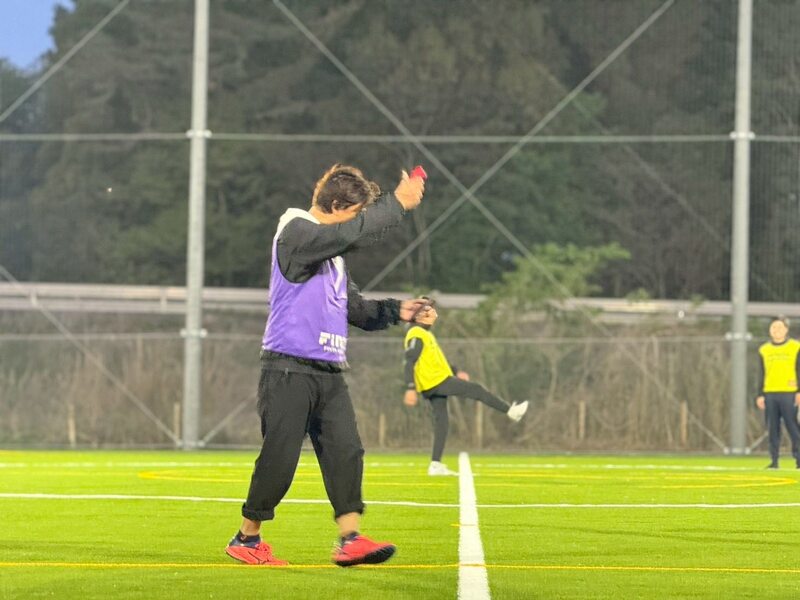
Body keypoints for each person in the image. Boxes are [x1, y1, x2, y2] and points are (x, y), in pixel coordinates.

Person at [225, 164, 427, 567]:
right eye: (353, 214)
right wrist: (397, 205)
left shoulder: (330, 258)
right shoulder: (296, 233)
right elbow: (345, 235)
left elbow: (357, 310)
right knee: (280, 458)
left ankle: (350, 539)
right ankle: (247, 538)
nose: (354, 226)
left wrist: (401, 310)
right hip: (288, 369)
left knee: (346, 452)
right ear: (335, 206)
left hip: (329, 373)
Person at [403, 298, 529, 476]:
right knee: (476, 390)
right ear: (420, 316)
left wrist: (456, 371)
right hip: (435, 381)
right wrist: (410, 387)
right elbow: (409, 361)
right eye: (430, 311)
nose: (435, 315)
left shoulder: (425, 334)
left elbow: (438, 361)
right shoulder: (417, 333)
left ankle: (435, 465)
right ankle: (510, 411)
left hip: (436, 381)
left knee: (442, 423)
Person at [756, 315, 800, 469]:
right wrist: (760, 394)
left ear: (786, 330)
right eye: (774, 327)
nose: (777, 330)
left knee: (793, 427)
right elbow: (761, 373)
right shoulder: (764, 350)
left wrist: (799, 391)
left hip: (789, 393)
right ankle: (774, 460)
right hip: (770, 393)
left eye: (780, 327)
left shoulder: (795, 347)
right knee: (772, 428)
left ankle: (798, 459)